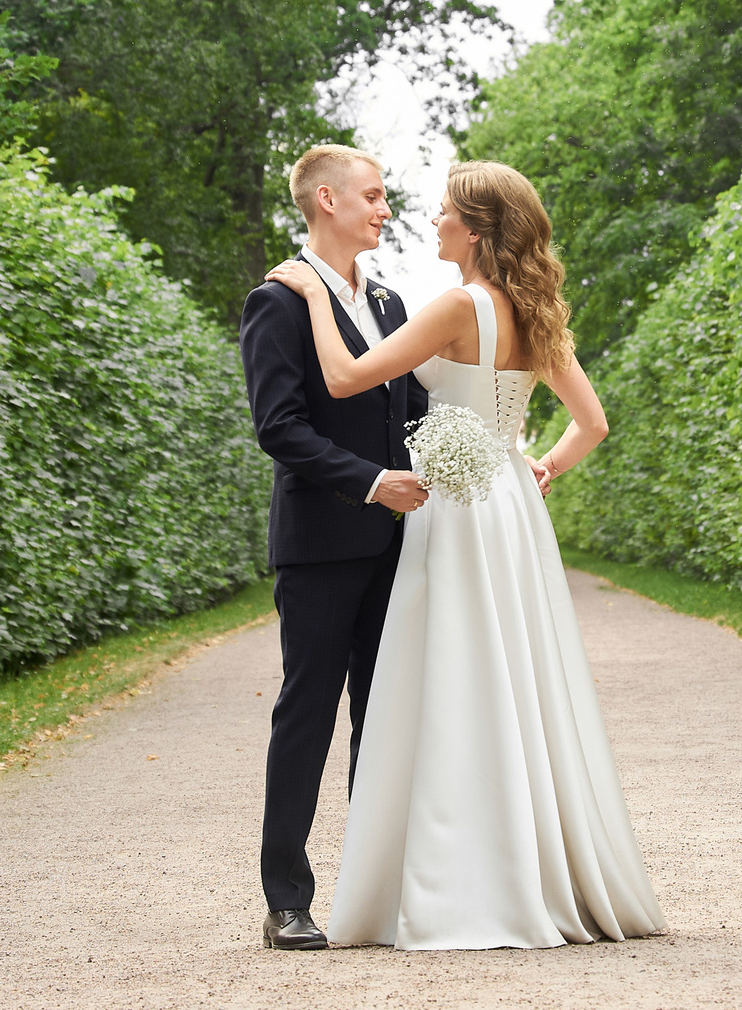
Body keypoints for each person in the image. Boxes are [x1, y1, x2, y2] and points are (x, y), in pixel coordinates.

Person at [263, 159, 667, 951]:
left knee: (447, 680)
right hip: (509, 507)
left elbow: (347, 378)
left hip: (452, 512)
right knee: (513, 678)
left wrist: (312, 291)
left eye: (446, 212)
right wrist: (538, 465)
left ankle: (440, 874)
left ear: (476, 231)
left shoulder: (451, 305)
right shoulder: (536, 312)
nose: (431, 220)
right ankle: (529, 866)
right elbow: (592, 425)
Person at [239, 145, 432, 952]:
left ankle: (369, 889)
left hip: (396, 546)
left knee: (383, 717)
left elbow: (416, 410)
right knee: (308, 713)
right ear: (327, 199)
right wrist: (370, 481)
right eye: (375, 195)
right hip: (321, 544)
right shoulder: (278, 299)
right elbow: (278, 429)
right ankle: (286, 896)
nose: (385, 209)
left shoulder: (388, 301)